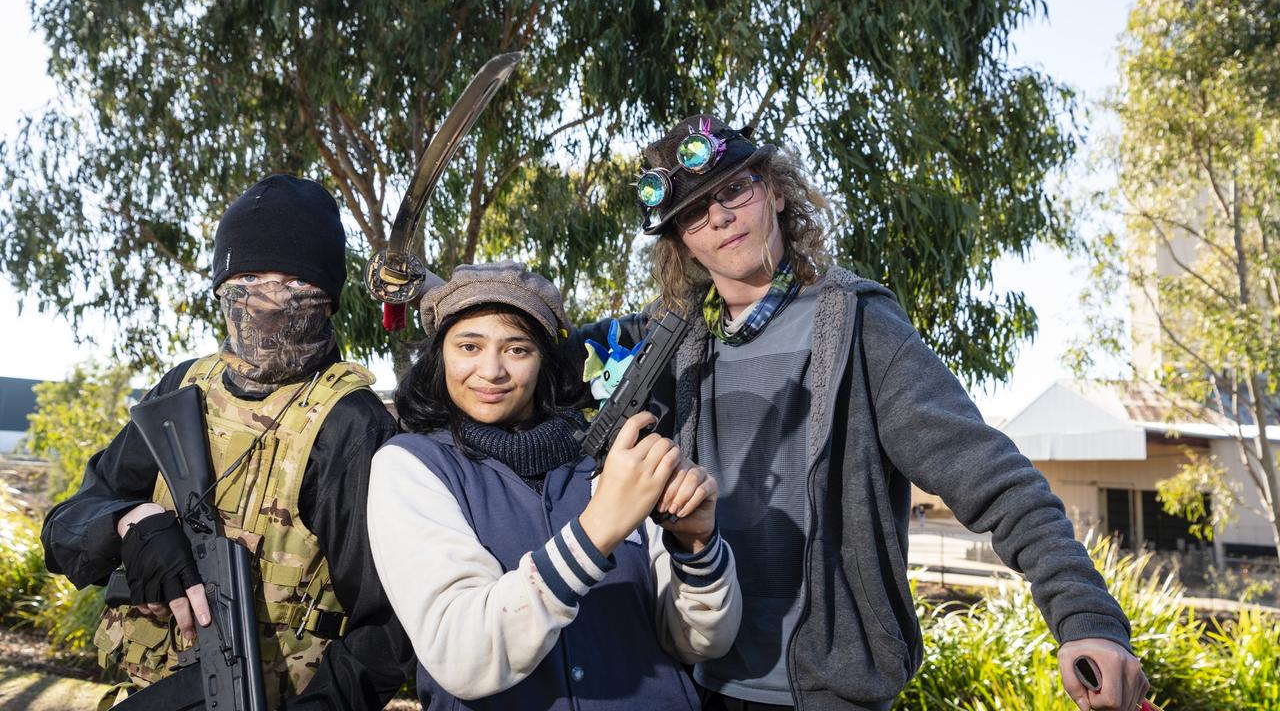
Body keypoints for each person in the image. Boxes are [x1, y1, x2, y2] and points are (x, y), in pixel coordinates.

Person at [576, 115, 1150, 711]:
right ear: (681, 241)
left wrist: (1086, 619)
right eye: (694, 212)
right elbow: (530, 366)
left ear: (773, 189)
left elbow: (993, 478)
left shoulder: (857, 325)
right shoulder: (669, 345)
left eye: (732, 190)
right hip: (696, 682)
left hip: (829, 691)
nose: (718, 217)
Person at [40, 174, 415, 709]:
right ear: (222, 284)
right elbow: (63, 527)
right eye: (249, 276)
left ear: (326, 297)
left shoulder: (349, 426)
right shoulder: (183, 388)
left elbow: (387, 631)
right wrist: (129, 524)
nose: (265, 298)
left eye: (290, 281)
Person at [366, 261, 741, 710]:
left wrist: (697, 545)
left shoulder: (613, 460)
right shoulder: (410, 468)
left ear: (544, 361)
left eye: (517, 350)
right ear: (439, 355)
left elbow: (700, 643)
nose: (491, 370)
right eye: (469, 345)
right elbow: (463, 655)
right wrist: (598, 528)